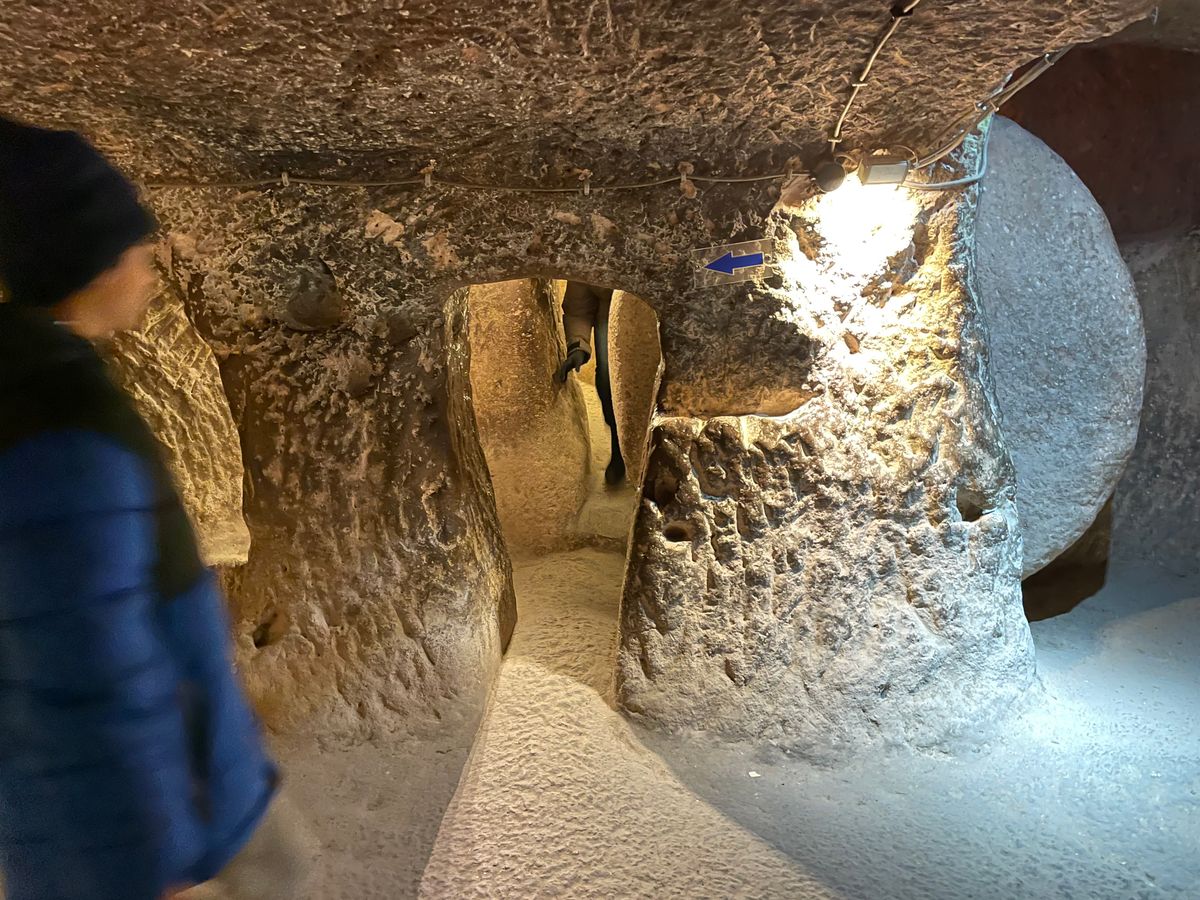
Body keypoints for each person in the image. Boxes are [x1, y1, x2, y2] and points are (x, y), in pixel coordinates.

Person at [0, 117, 309, 900]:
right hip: (151, 820)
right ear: (93, 262)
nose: (150, 266)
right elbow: (93, 665)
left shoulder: (51, 381)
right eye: (136, 245)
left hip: (188, 779)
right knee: (281, 876)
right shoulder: (61, 424)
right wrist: (155, 862)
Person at [556, 281, 626, 485]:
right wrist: (578, 345)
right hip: (610, 318)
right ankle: (620, 449)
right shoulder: (593, 262)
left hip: (655, 323)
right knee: (608, 384)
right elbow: (578, 306)